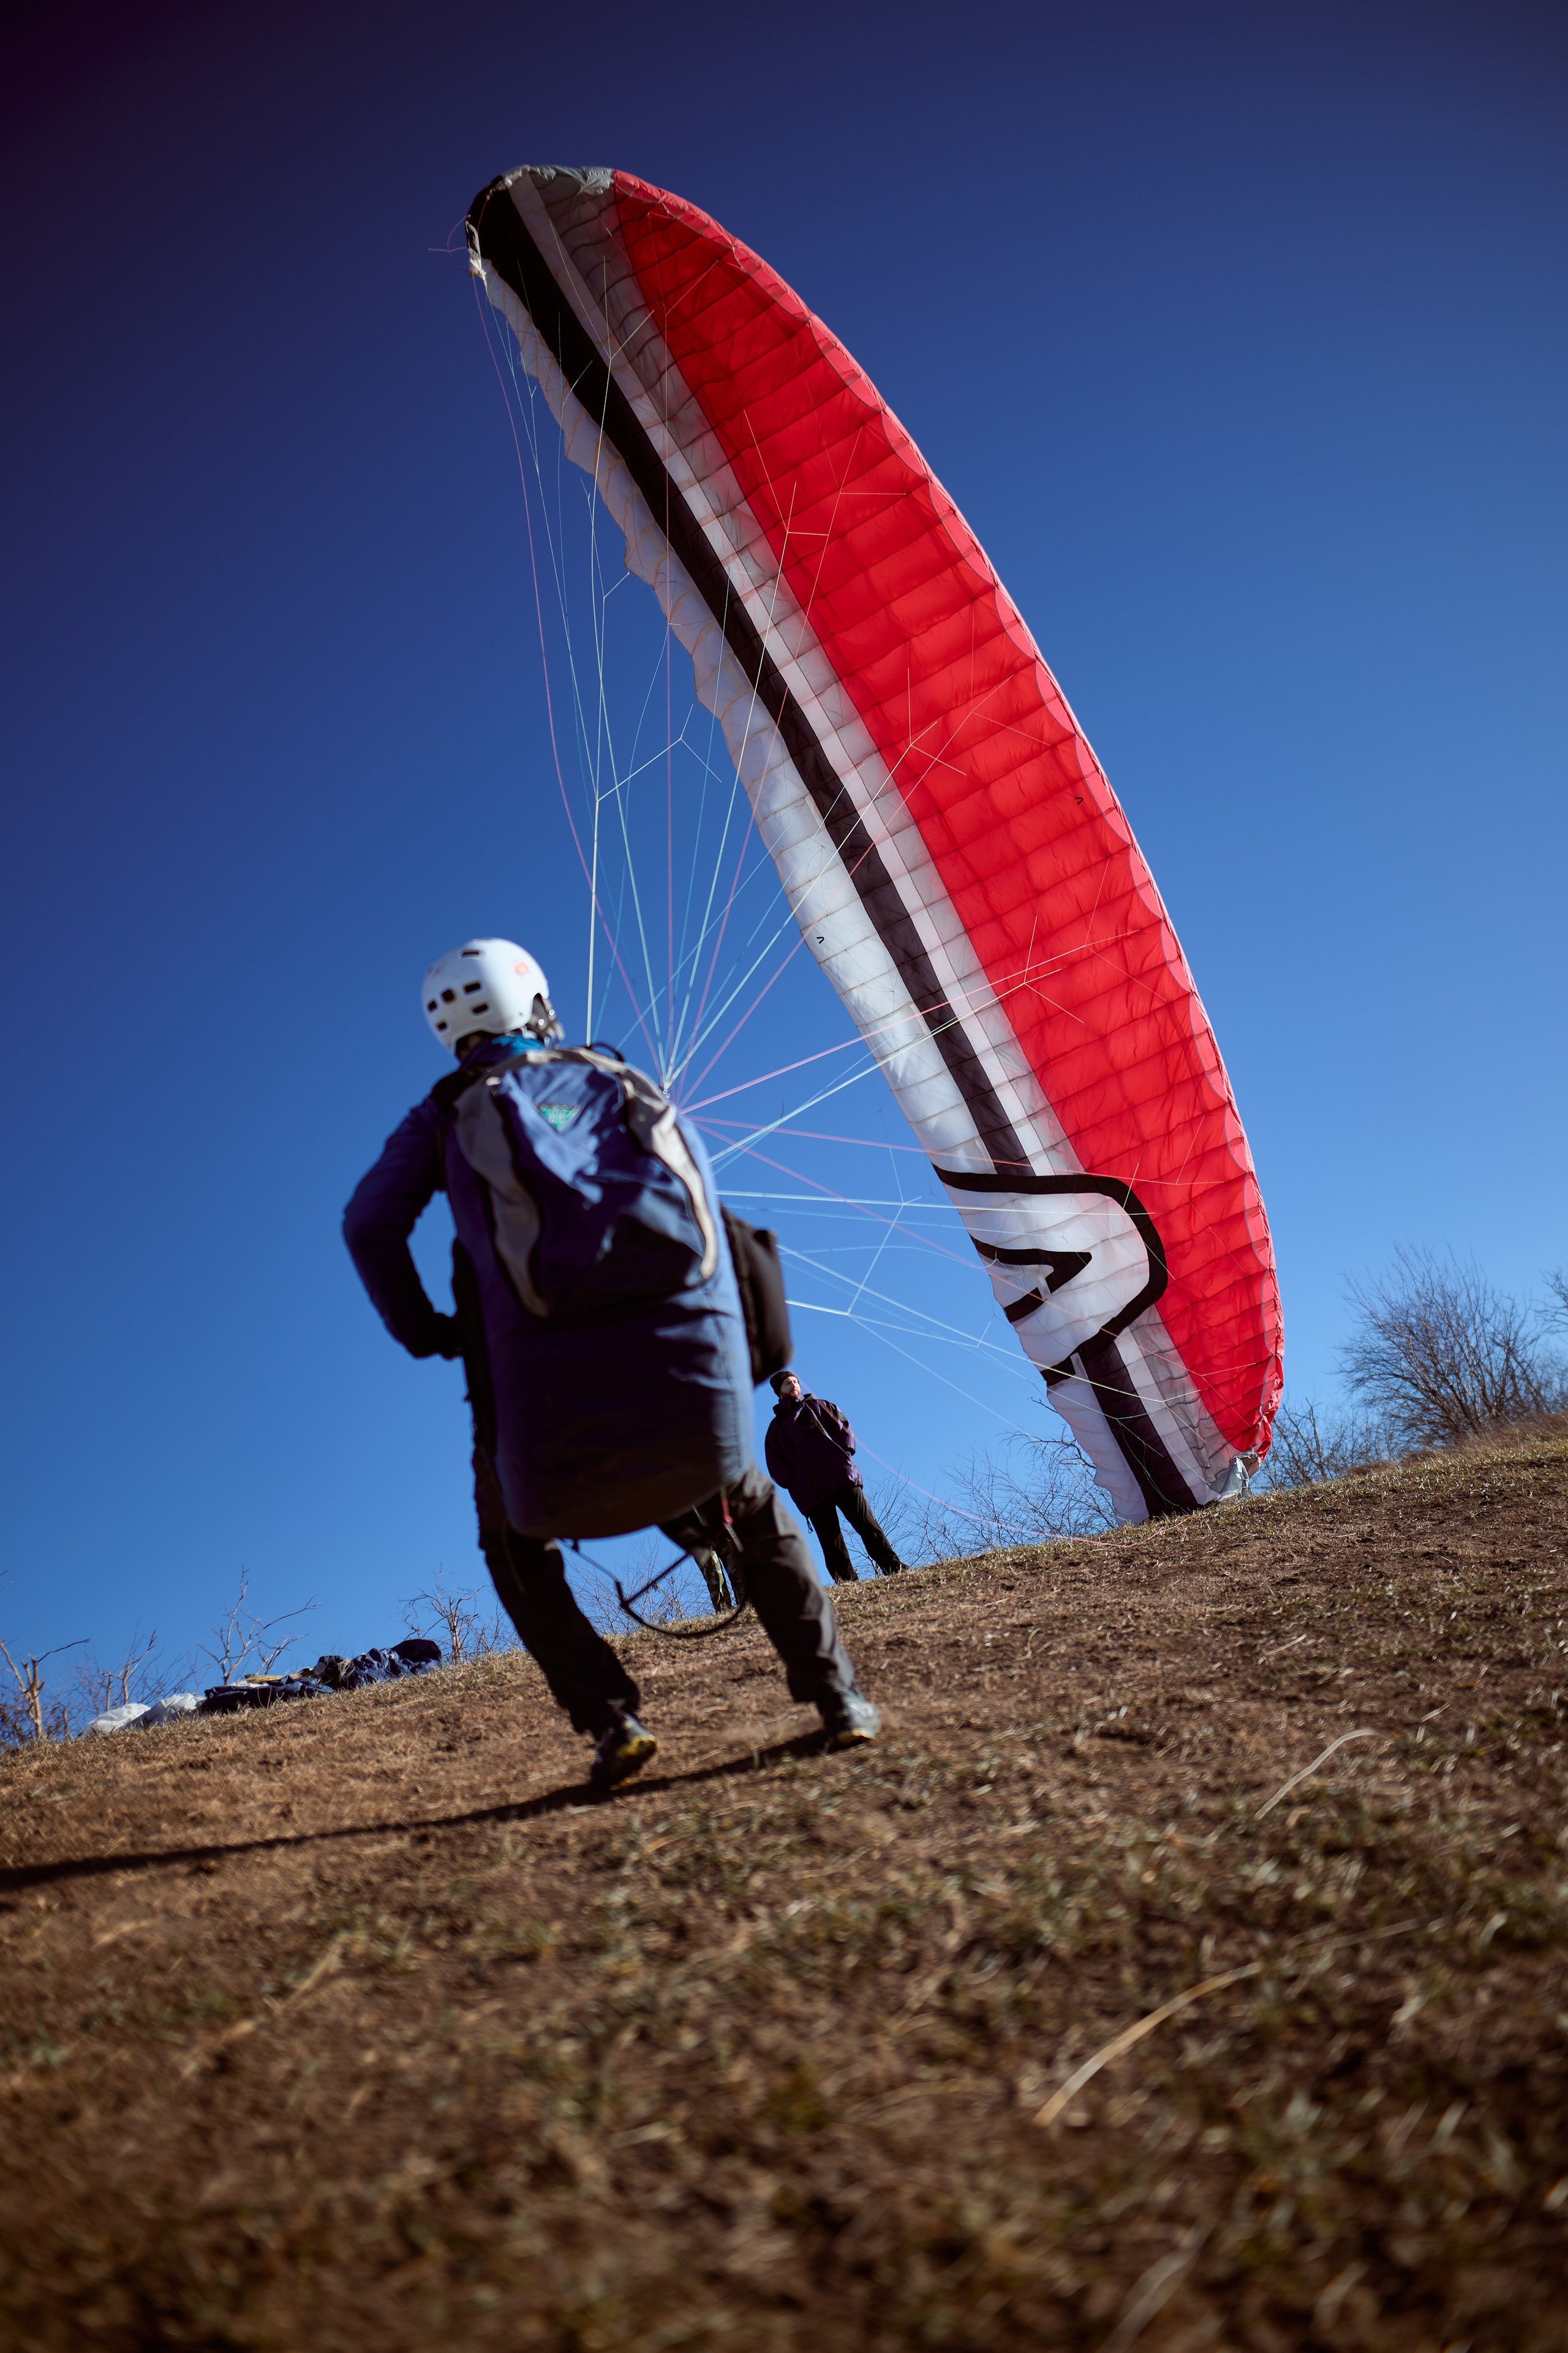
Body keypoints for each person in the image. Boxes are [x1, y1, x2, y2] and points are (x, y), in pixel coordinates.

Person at [342, 938, 878, 1792]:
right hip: (692, 1394)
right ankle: (837, 1697)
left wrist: (432, 1331)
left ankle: (612, 1718)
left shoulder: (443, 1114)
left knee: (511, 1544)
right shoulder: (616, 1077)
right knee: (758, 1514)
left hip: (547, 1431)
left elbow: (371, 1225)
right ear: (538, 1005)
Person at [764, 1372, 906, 1584]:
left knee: (867, 1524)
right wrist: (794, 1481)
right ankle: (847, 1582)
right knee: (830, 1539)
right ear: (779, 1391)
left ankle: (894, 1568)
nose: (794, 1384)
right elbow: (776, 1464)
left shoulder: (822, 1406)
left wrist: (843, 1456)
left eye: (795, 1381)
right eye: (787, 1383)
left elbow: (845, 1429)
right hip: (811, 1490)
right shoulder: (776, 1429)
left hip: (841, 1475)